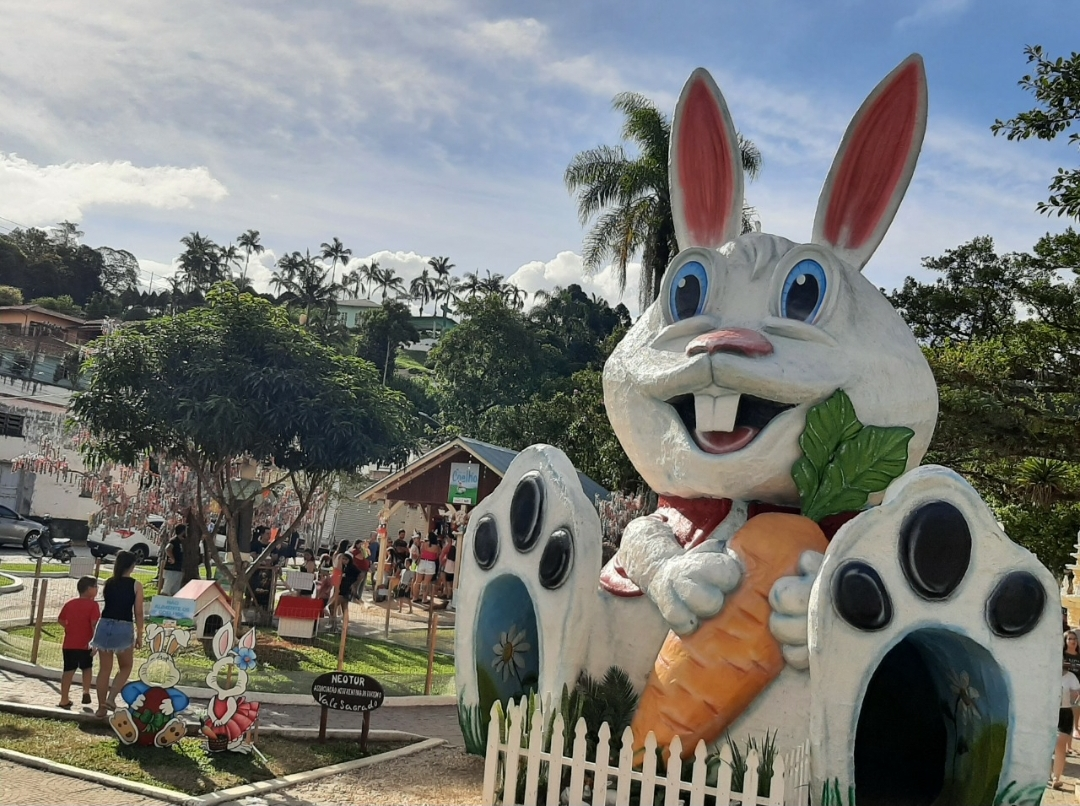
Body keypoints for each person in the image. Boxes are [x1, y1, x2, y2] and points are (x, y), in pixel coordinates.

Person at [91, 551, 144, 718]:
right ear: (132, 566)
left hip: (104, 624)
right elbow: (139, 612)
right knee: (126, 666)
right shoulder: (136, 585)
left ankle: (101, 708)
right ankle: (111, 698)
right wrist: (140, 634)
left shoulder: (109, 582)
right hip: (124, 625)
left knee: (104, 669)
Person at [57, 576, 100, 709]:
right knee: (87, 668)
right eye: (95, 586)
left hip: (69, 643)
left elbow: (60, 619)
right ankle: (85, 691)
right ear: (89, 589)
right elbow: (94, 624)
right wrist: (95, 642)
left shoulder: (70, 603)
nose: (97, 589)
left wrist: (70, 628)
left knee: (68, 670)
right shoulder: (93, 605)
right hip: (86, 643)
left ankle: (64, 698)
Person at [1053, 658, 1080, 790]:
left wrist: (1075, 697)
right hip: (1047, 713)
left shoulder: (1071, 677)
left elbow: (1076, 698)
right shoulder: (1046, 675)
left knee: (1059, 745)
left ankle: (1056, 778)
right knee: (1046, 746)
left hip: (1064, 713)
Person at [413, 533, 441, 605]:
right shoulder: (437, 546)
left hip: (422, 561)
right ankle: (424, 598)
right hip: (431, 563)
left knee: (417, 581)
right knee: (426, 582)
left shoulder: (423, 544)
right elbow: (438, 555)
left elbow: (421, 552)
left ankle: (415, 597)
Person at [161, 524, 185, 596]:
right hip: (172, 569)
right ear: (182, 532)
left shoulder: (182, 541)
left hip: (179, 569)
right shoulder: (174, 540)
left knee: (175, 591)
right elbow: (167, 549)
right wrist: (172, 558)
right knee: (167, 589)